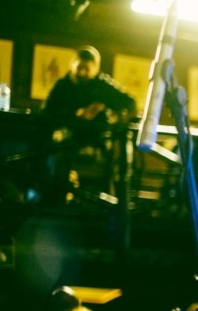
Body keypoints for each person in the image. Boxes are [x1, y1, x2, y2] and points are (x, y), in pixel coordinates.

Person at [40, 45, 136, 203]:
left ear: (96, 69)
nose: (82, 72)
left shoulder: (103, 84)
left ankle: (108, 205)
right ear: (72, 65)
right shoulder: (62, 85)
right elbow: (46, 112)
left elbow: (130, 103)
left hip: (98, 142)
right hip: (68, 141)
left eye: (87, 69)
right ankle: (56, 203)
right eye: (79, 68)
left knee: (114, 166)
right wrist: (76, 114)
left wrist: (116, 117)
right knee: (53, 161)